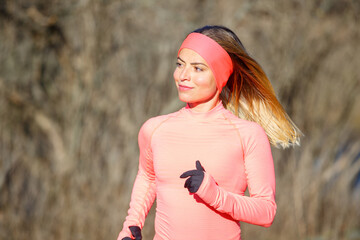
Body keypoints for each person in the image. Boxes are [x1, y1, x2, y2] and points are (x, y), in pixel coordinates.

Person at [117, 25, 301, 240]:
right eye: (180, 65)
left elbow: (266, 212)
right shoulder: (154, 129)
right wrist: (130, 227)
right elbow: (148, 178)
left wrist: (213, 193)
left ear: (220, 75)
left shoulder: (247, 135)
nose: (183, 76)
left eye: (198, 68)